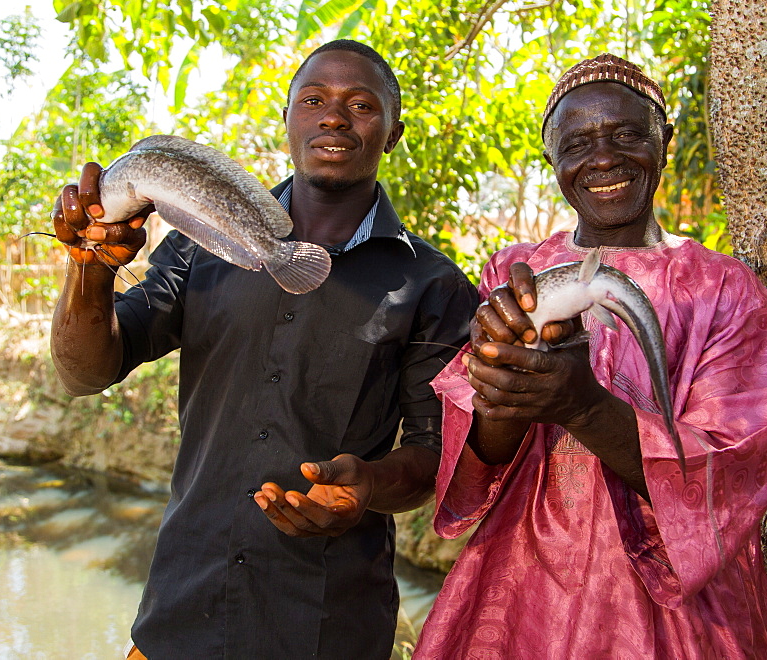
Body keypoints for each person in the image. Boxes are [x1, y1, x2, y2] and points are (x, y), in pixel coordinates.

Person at [50, 39, 478, 659]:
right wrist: (89, 267)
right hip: (180, 617)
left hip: (328, 624)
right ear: (288, 121)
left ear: (393, 133)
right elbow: (86, 372)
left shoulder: (432, 285)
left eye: (361, 105)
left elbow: (434, 454)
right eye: (314, 100)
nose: (334, 117)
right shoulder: (199, 245)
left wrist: (367, 486)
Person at [413, 54, 767, 658]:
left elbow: (728, 475)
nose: (604, 159)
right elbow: (482, 457)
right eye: (578, 143)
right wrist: (508, 387)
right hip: (522, 583)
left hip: (678, 613)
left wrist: (582, 406)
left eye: (627, 134)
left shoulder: (725, 290)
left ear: (664, 142)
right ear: (554, 161)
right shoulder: (513, 272)